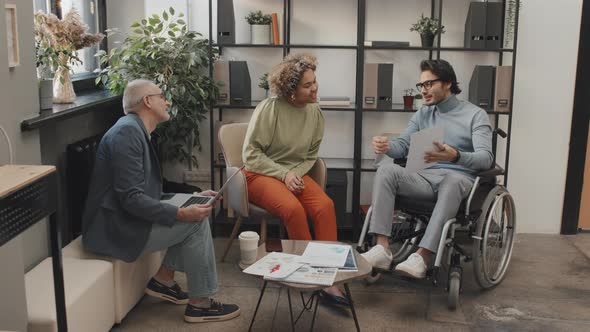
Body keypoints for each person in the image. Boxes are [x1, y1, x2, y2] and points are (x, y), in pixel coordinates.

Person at [82, 79, 240, 323]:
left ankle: (164, 280)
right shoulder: (127, 133)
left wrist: (190, 199)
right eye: (161, 95)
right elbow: (132, 199)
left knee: (197, 208)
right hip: (115, 228)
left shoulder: (135, 130)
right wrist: (180, 214)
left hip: (124, 218)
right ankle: (200, 304)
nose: (166, 101)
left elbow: (145, 194)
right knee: (195, 222)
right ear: (147, 101)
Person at [361, 59, 493, 279]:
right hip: (424, 179)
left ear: (448, 83)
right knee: (386, 170)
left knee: (451, 181)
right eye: (421, 86)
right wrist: (386, 146)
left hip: (458, 179)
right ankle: (382, 249)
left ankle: (422, 256)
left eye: (429, 84)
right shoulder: (423, 114)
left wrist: (456, 156)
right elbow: (402, 146)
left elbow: (486, 159)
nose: (424, 90)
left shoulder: (475, 115)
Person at [242, 53, 348, 305]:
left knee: (325, 206)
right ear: (291, 92)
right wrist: (284, 174)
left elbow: (311, 155)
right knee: (292, 209)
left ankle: (328, 276)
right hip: (260, 173)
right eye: (307, 85)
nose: (315, 88)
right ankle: (307, 276)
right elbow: (250, 154)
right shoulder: (270, 108)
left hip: (294, 173)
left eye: (315, 81)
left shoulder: (314, 112)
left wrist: (295, 173)